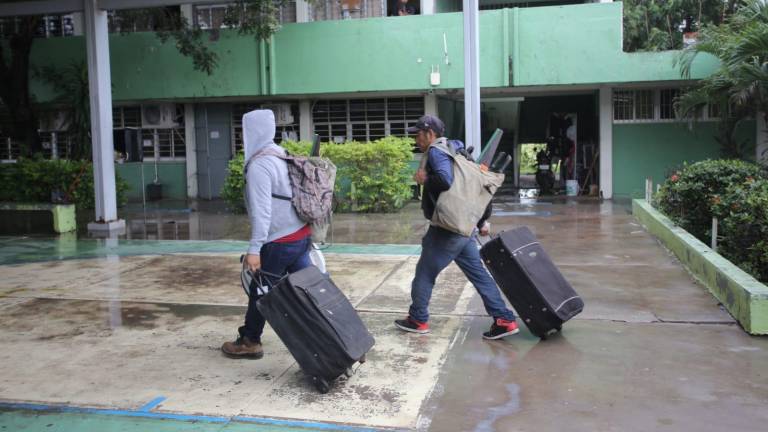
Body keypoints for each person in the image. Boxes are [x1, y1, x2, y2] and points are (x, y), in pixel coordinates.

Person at [394, 115, 520, 340]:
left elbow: (444, 180)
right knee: (479, 275)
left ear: (430, 133)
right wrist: (480, 222)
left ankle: (418, 319)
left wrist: (425, 179)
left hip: (447, 228)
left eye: (418, 134)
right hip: (464, 227)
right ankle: (504, 319)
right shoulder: (457, 151)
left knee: (424, 273)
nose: (416, 138)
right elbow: (471, 188)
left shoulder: (436, 151)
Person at [221, 109, 312, 359]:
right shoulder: (281, 154)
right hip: (301, 235)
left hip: (279, 241)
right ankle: (335, 332)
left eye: (244, 131)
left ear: (253, 131)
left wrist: (254, 249)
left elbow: (262, 213)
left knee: (260, 291)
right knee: (311, 291)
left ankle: (250, 341)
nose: (242, 137)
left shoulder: (260, 165)